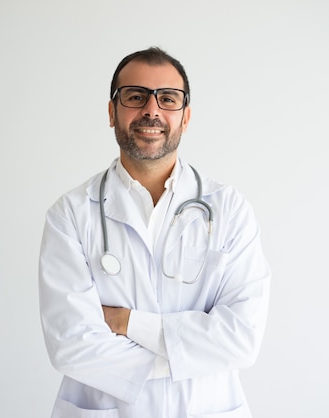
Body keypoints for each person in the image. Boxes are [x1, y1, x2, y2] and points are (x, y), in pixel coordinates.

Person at [39, 47, 271, 418]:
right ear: (112, 112)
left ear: (186, 116)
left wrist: (126, 322)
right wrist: (189, 355)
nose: (152, 110)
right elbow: (72, 347)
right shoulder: (70, 214)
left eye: (167, 98)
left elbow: (241, 341)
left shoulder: (230, 209)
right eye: (135, 96)